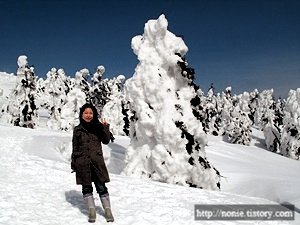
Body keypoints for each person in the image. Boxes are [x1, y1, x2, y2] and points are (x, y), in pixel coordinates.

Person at [71, 103, 114, 223]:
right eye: (86, 113)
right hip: (82, 162)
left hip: (96, 162)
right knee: (86, 187)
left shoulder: (98, 127)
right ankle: (92, 211)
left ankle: (108, 210)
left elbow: (106, 141)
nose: (88, 115)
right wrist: (74, 163)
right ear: (82, 114)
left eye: (90, 113)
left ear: (94, 114)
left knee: (101, 186)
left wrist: (105, 128)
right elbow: (75, 147)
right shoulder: (78, 129)